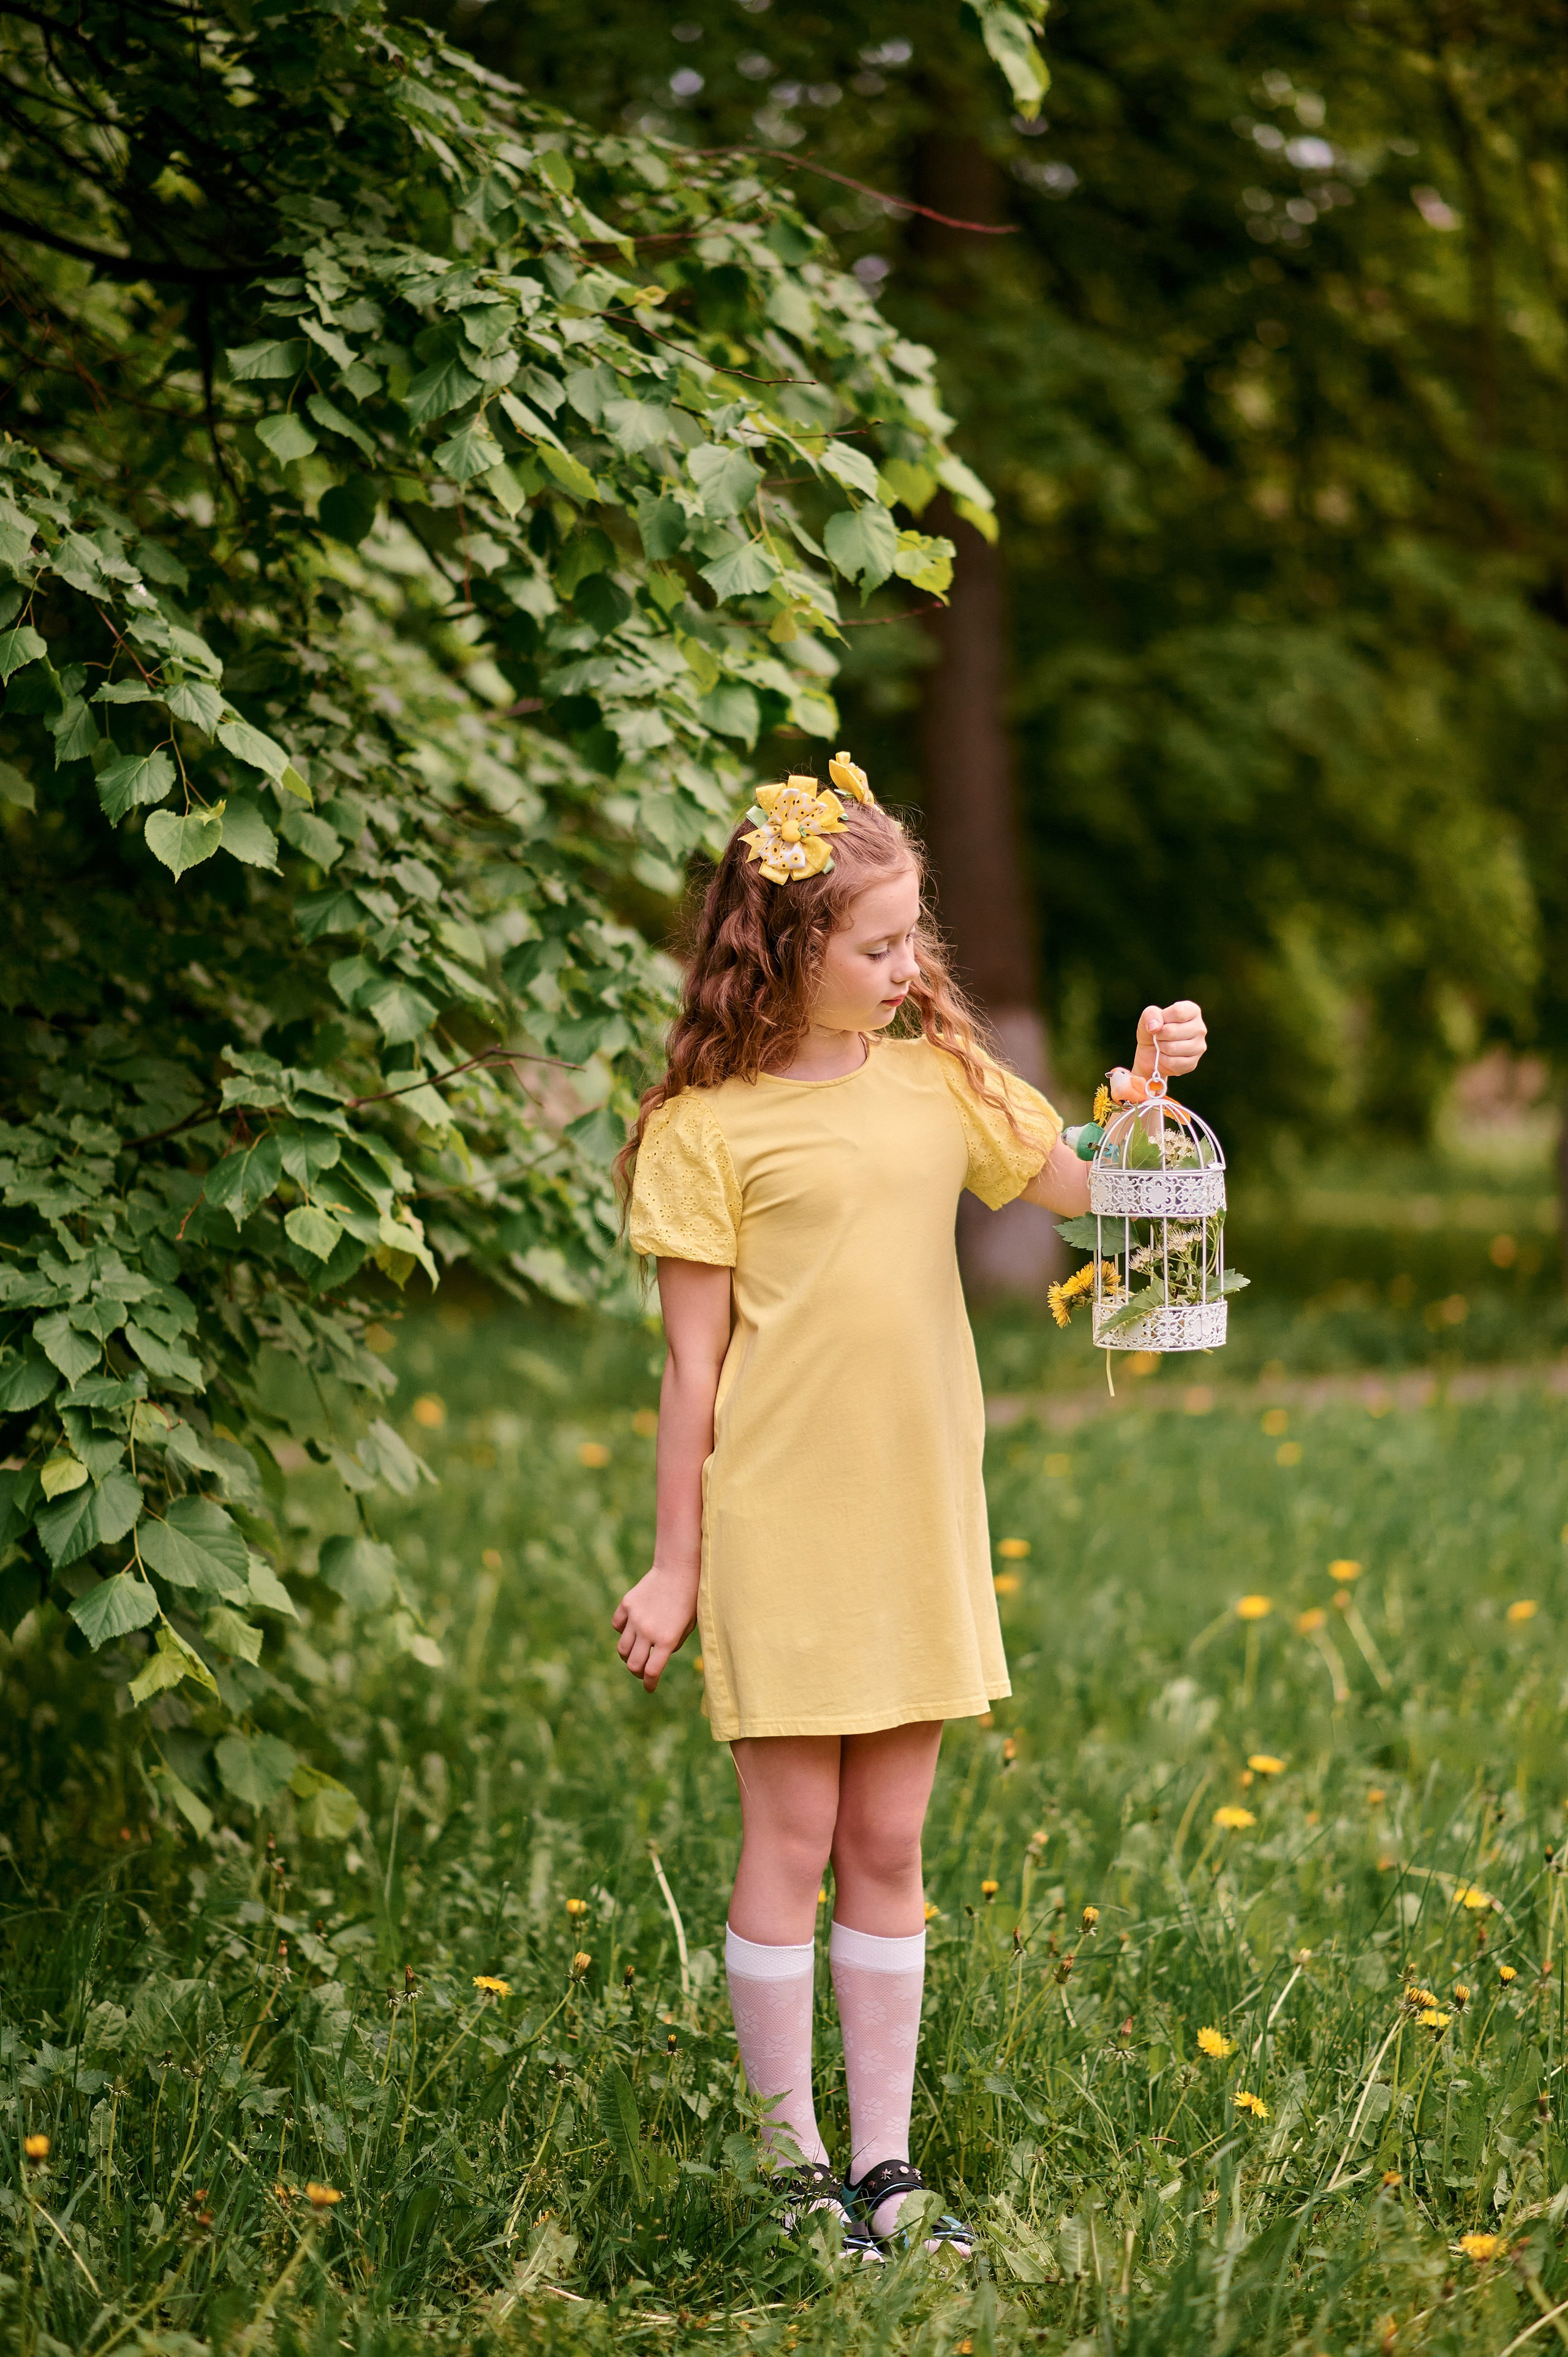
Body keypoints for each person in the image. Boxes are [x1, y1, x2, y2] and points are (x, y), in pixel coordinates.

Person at [612, 756, 1207, 2259]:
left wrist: (1149, 1091)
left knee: (890, 1838)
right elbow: (691, 1371)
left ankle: (882, 2165)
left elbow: (1094, 1193)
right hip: (774, 1520)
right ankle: (786, 2162)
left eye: (910, 938)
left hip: (914, 1511)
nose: (905, 967)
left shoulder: (941, 1080)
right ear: (784, 945)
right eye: (874, 944)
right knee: (793, 1831)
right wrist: (674, 1566)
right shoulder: (707, 1126)